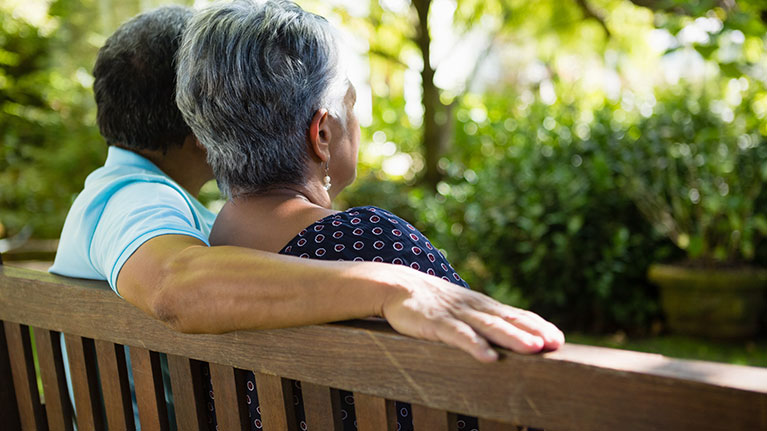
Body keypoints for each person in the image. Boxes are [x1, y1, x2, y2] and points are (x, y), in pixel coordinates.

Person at [50, 3, 562, 428]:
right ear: (321, 133)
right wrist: (393, 283)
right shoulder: (133, 201)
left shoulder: (211, 230)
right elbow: (174, 286)